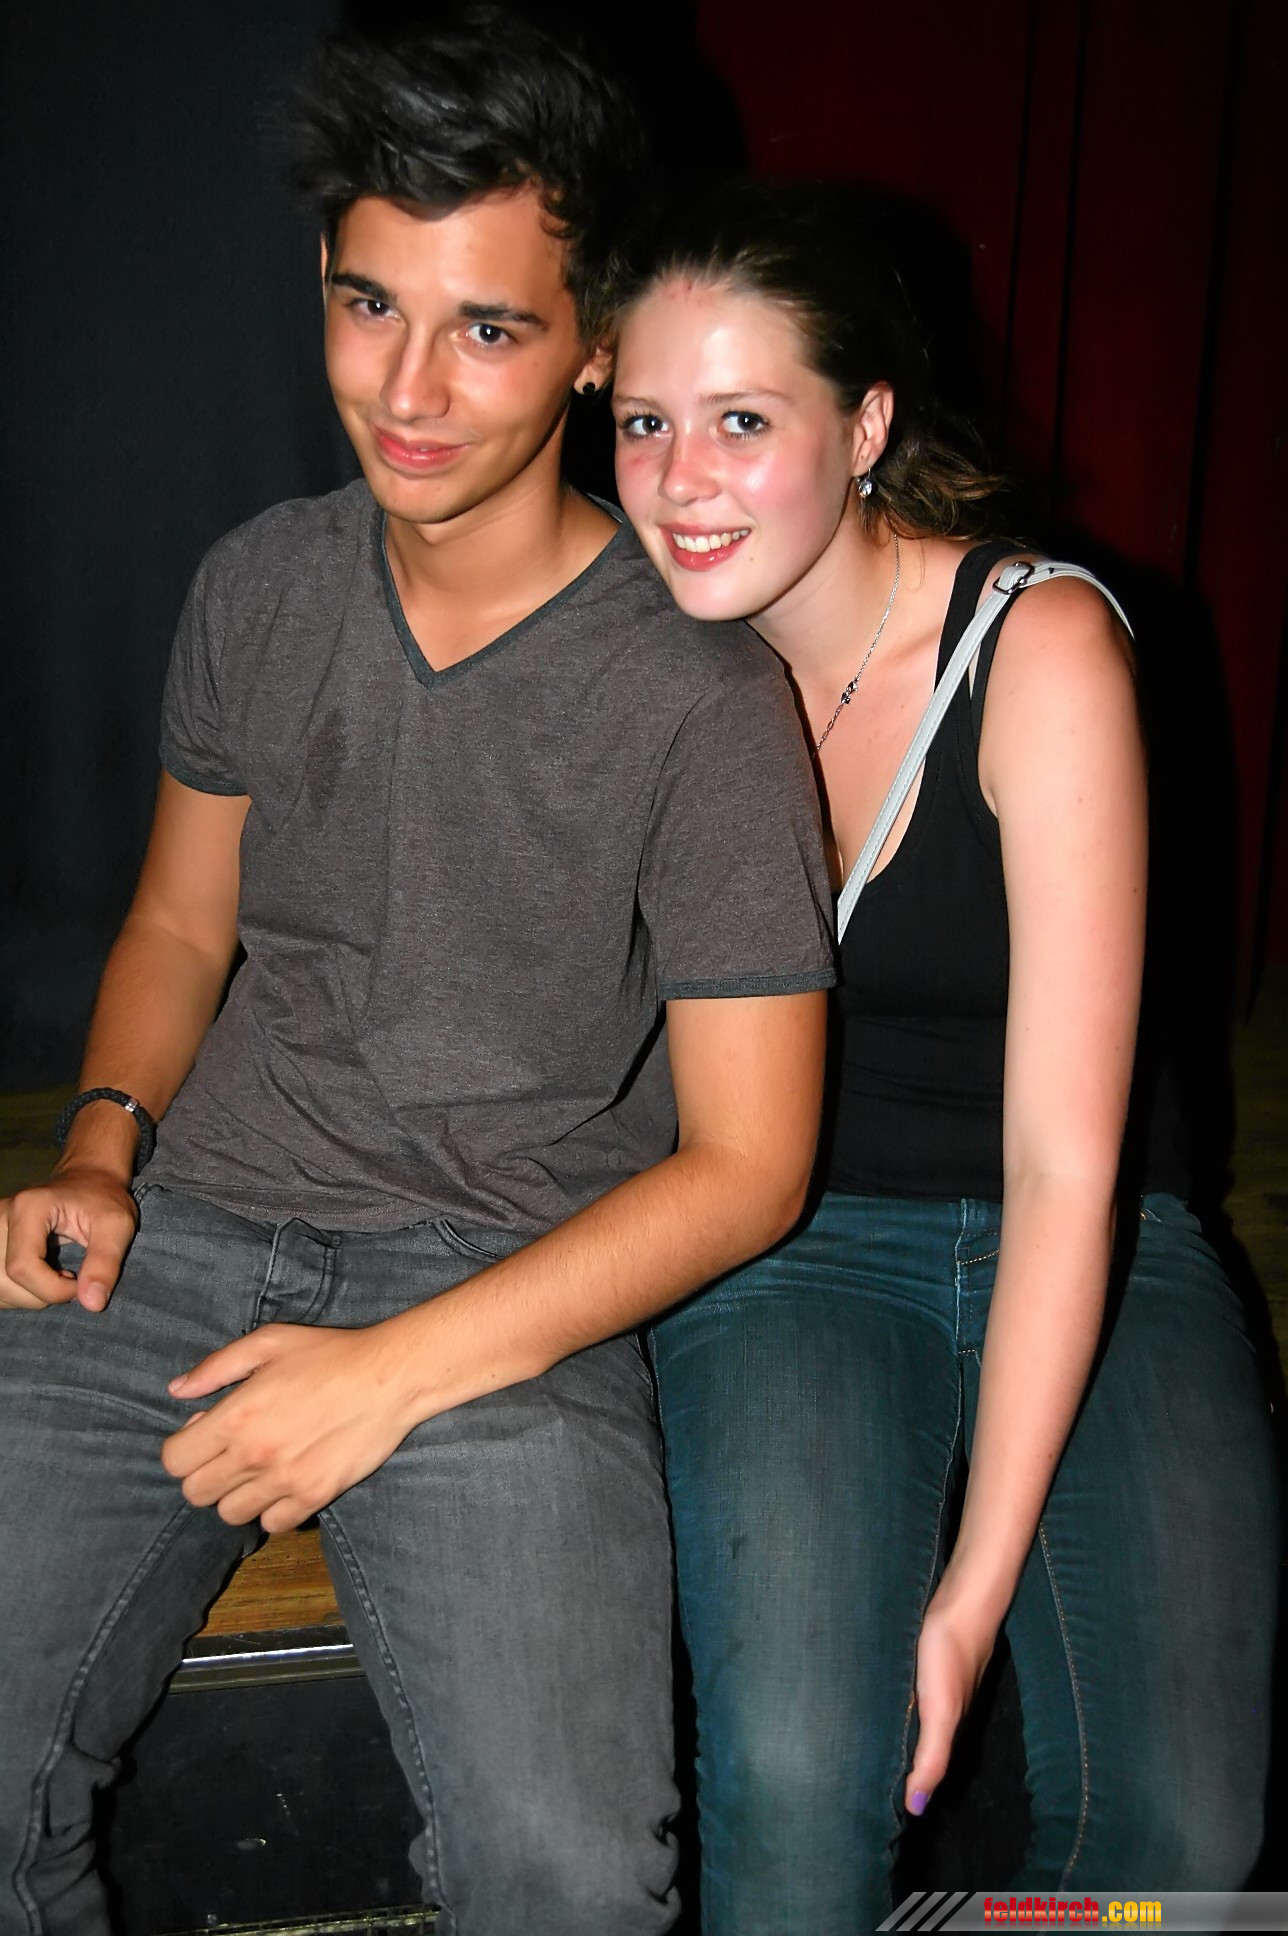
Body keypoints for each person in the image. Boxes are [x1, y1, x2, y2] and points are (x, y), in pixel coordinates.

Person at [0, 32, 837, 1935]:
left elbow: (751, 1166)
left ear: (597, 343)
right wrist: (103, 1149)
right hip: (187, 1234)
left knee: (569, 1881)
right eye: (372, 304)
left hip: (504, 1292)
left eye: (490, 330)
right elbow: (177, 930)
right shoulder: (259, 586)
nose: (407, 389)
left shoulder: (702, 695)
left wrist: (387, 1377)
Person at [611, 178, 1279, 1928]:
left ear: (866, 428)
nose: (682, 480)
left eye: (744, 421)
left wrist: (972, 1599)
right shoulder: (637, 658)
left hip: (1094, 1228)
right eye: (645, 423)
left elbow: (1068, 1164)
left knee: (1184, 1850)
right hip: (790, 1239)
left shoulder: (1039, 646)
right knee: (791, 1806)